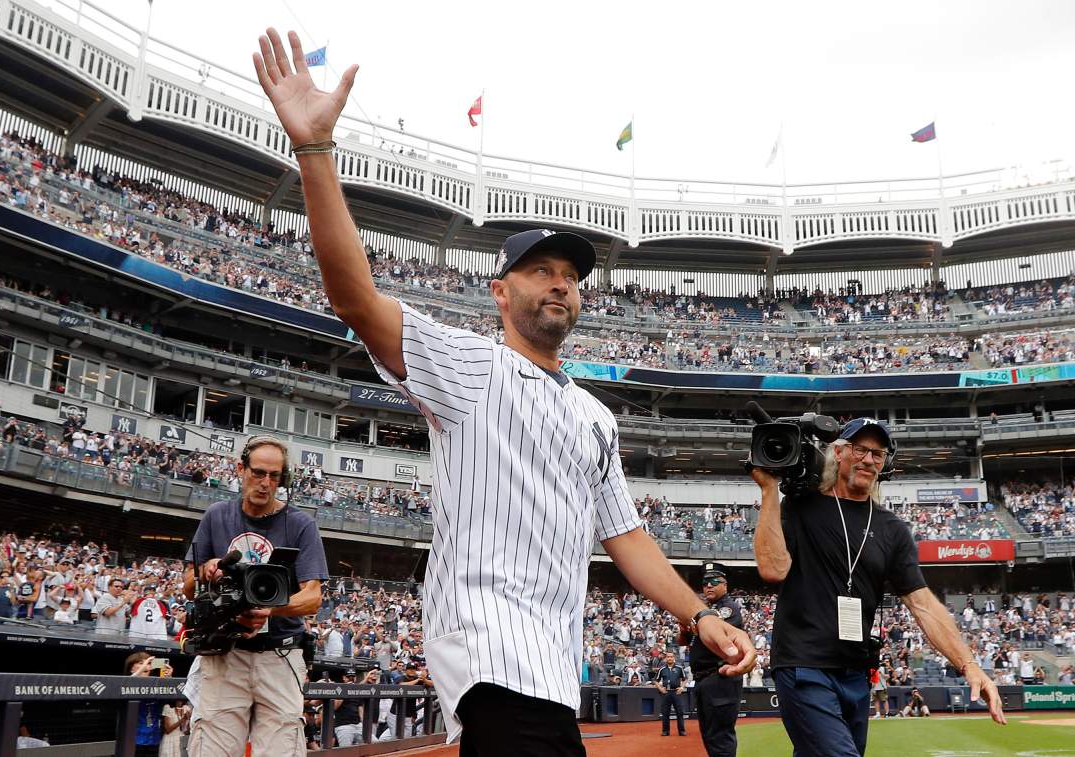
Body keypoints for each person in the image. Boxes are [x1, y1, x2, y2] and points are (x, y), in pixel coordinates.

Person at [251, 29, 756, 756]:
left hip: (552, 657)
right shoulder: (468, 365)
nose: (560, 283)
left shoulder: (594, 416)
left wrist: (698, 615)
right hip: (485, 644)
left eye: (571, 275)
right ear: (500, 291)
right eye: (541, 269)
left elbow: (627, 537)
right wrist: (315, 151)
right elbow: (355, 298)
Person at [752, 417, 1005, 756]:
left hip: (856, 674)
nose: (868, 460)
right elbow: (772, 569)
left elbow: (923, 604)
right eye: (860, 449)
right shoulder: (801, 505)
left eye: (878, 454)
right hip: (803, 665)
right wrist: (769, 489)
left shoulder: (891, 529)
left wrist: (969, 664)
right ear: (838, 453)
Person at [183, 435, 330, 756]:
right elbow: (188, 586)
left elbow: (313, 597)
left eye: (274, 476)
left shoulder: (301, 524)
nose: (265, 483)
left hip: (279, 656)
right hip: (225, 653)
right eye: (258, 473)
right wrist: (207, 570)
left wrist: (270, 609)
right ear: (241, 469)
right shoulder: (217, 516)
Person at [680, 562, 745, 755]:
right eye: (705, 582)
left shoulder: (728, 609)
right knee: (710, 735)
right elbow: (684, 640)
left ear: (725, 585)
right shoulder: (705, 610)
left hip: (720, 676)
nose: (708, 585)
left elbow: (714, 637)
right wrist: (684, 628)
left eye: (715, 581)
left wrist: (694, 624)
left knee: (720, 738)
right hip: (705, 679)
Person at [654, 652, 687, 737]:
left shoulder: (679, 668)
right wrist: (660, 688)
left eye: (671, 657)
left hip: (676, 692)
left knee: (680, 712)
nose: (670, 658)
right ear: (666, 658)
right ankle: (665, 731)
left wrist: (682, 687)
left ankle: (682, 731)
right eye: (668, 657)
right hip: (666, 693)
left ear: (674, 658)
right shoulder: (662, 669)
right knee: (665, 713)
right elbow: (656, 680)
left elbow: (685, 679)